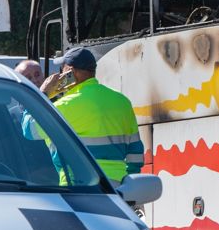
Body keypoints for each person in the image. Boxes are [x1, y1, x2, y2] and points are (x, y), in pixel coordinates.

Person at [44, 47, 144, 182]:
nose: (60, 74)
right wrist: (127, 183)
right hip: (117, 188)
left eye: (62, 69)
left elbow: (28, 130)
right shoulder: (122, 101)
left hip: (77, 188)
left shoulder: (64, 106)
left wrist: (43, 93)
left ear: (70, 71)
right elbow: (135, 151)